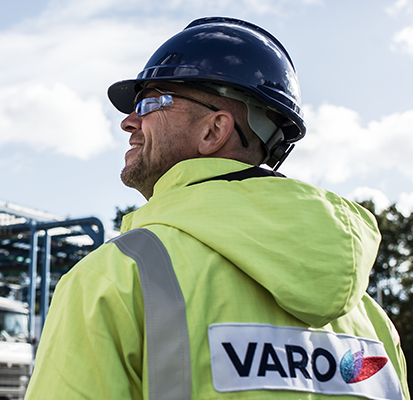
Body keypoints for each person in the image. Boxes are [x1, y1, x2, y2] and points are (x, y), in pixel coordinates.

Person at [24, 17, 409, 399]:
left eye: (149, 102)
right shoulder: (370, 322)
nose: (129, 122)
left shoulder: (115, 281)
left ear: (213, 131)